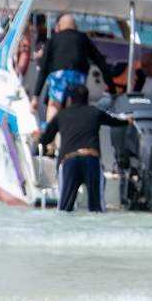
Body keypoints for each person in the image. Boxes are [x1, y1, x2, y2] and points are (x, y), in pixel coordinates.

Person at [37, 84, 131, 212]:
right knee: (97, 209)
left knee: (64, 209)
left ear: (70, 99)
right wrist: (128, 121)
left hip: (68, 161)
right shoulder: (95, 112)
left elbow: (45, 139)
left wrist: (39, 137)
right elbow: (115, 121)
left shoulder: (61, 115)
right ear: (86, 99)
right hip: (91, 160)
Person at [30, 14, 116, 124]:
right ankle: (69, 135)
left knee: (54, 105)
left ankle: (50, 138)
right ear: (75, 27)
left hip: (59, 75)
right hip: (78, 76)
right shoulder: (83, 38)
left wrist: (35, 96)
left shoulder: (54, 39)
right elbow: (101, 63)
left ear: (59, 26)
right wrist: (112, 90)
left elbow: (44, 68)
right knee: (73, 107)